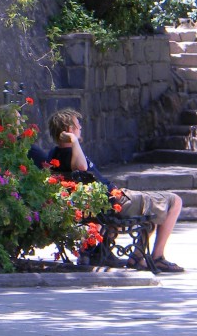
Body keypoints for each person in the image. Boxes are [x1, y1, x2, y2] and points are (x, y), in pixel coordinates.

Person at [46, 108, 185, 273]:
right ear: (69, 130)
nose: (81, 128)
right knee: (174, 201)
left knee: (155, 207)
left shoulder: (54, 154)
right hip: (115, 203)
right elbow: (82, 167)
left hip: (106, 203)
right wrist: (75, 142)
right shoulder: (74, 153)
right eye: (78, 125)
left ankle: (137, 257)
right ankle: (157, 256)